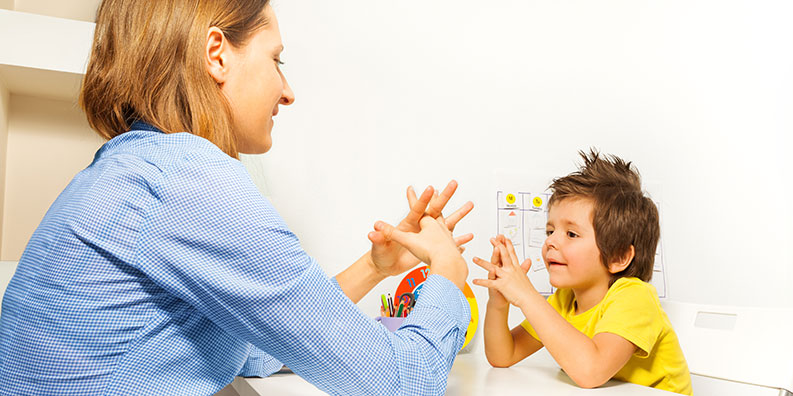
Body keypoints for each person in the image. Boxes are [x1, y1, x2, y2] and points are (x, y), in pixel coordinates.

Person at [0, 1, 475, 395]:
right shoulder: (191, 180)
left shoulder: (134, 167)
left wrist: (375, 267)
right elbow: (402, 381)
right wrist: (447, 276)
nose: (287, 92)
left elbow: (251, 349)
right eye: (277, 60)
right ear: (217, 54)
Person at [473, 150, 693, 395]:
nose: (551, 242)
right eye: (550, 231)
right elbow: (503, 355)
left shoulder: (635, 298)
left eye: (571, 234)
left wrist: (527, 297)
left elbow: (591, 372)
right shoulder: (564, 300)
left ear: (618, 257)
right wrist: (498, 303)